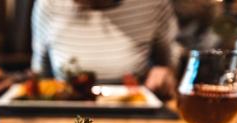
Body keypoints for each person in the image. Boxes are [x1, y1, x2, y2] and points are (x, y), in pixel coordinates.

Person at [31, 0, 181, 99]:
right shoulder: (48, 4)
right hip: (65, 116)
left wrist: (166, 72)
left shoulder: (153, 4)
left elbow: (169, 66)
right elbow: (40, 76)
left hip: (134, 115)